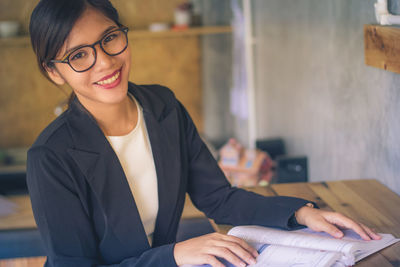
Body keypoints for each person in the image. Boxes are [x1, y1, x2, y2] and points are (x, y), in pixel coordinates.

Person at [26, 0, 380, 266]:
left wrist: (300, 213)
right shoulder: (50, 157)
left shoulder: (162, 106)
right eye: (78, 55)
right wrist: (175, 254)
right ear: (54, 72)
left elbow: (218, 198)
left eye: (110, 39)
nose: (104, 61)